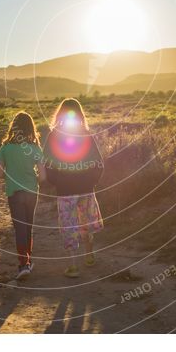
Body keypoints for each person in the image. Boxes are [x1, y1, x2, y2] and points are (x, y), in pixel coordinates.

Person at [43, 98, 104, 278]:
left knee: (68, 226)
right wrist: (92, 181)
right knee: (86, 223)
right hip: (86, 188)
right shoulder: (86, 134)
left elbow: (46, 162)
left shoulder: (54, 135)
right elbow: (99, 163)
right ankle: (90, 256)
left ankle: (73, 266)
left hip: (65, 191)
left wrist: (57, 181)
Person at [0, 111, 44, 281]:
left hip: (14, 193)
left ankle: (24, 265)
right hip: (32, 192)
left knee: (20, 228)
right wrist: (32, 177)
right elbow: (43, 176)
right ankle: (27, 262)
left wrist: (11, 170)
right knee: (28, 227)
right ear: (31, 128)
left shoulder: (6, 147)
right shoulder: (35, 148)